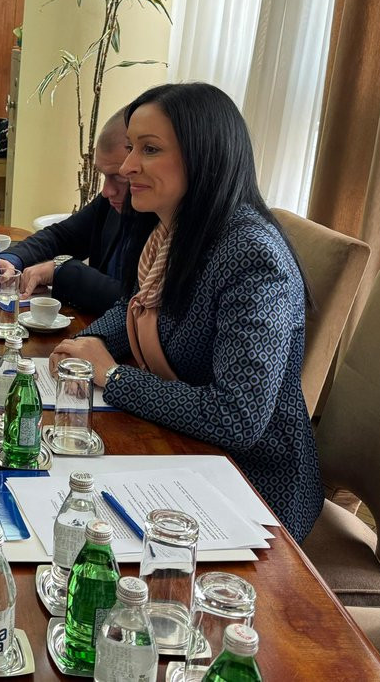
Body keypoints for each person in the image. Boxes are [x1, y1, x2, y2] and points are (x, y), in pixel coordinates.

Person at [49, 82, 321, 542]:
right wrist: (88, 344)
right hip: (187, 453)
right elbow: (136, 305)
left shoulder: (253, 256)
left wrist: (112, 376)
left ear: (204, 156)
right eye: (131, 147)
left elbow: (237, 416)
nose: (128, 166)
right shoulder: (171, 232)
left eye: (149, 149)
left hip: (253, 485)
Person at [0, 109, 137, 314]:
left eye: (119, 178)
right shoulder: (110, 202)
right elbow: (61, 236)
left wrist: (60, 271)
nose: (107, 191)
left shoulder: (168, 224)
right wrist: (10, 260)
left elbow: (139, 304)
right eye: (104, 176)